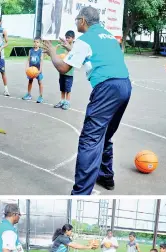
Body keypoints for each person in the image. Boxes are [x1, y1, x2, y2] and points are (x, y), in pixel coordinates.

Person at [42, 6, 132, 194]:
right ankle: (106, 178)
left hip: (107, 88)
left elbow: (63, 68)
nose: (75, 23)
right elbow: (97, 57)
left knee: (89, 140)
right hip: (124, 86)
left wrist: (52, 52)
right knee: (104, 134)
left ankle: (81, 193)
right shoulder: (108, 36)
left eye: (76, 20)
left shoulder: (85, 40)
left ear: (82, 20)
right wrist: (72, 49)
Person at [54, 30, 75, 110]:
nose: (67, 39)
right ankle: (62, 101)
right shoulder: (64, 47)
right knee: (62, 87)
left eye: (68, 38)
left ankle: (67, 102)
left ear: (73, 38)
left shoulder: (73, 48)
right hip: (62, 71)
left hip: (69, 73)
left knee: (67, 88)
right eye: (66, 38)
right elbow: (62, 56)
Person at [22, 37, 44, 103]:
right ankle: (29, 94)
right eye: (34, 42)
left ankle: (40, 96)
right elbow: (28, 59)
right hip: (31, 70)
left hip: (37, 70)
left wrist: (40, 70)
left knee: (40, 82)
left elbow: (41, 61)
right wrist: (26, 68)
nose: (35, 43)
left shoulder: (41, 51)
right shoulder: (30, 50)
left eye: (37, 42)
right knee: (30, 81)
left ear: (40, 43)